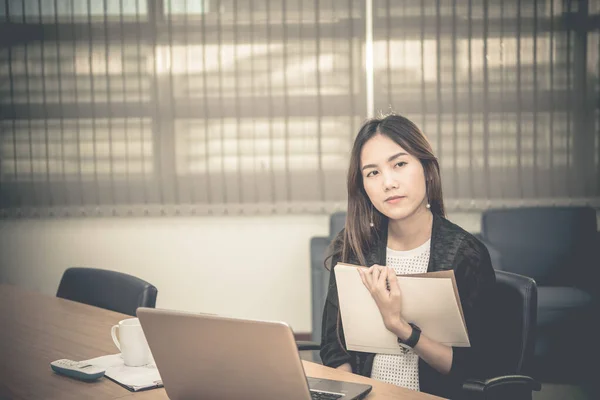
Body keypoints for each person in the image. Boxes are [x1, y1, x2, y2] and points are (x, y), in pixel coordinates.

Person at [320, 114, 496, 399]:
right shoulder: (354, 247)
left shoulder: (465, 254)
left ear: (426, 169)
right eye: (372, 172)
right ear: (363, 186)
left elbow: (474, 367)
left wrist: (400, 327)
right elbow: (333, 347)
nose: (388, 183)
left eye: (399, 164)